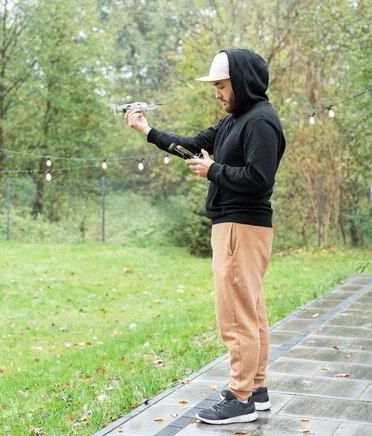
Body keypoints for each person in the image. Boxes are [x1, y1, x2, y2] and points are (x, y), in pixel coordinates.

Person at [125, 48, 286, 425]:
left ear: (241, 82)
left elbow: (259, 179)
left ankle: (240, 397)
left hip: (240, 227)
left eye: (221, 85)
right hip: (237, 226)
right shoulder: (234, 121)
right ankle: (256, 390)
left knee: (234, 315)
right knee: (252, 311)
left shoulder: (260, 121)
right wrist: (147, 131)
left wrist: (214, 171)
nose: (217, 93)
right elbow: (191, 145)